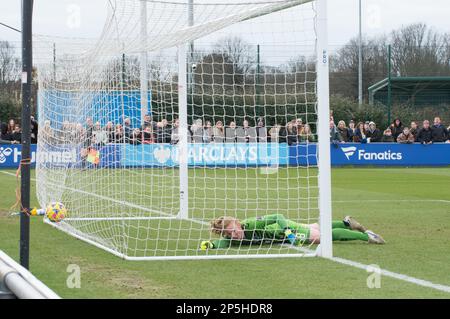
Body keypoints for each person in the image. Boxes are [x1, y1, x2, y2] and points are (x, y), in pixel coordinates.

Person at [200, 214, 385, 250]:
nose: (234, 235)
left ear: (238, 223)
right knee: (315, 228)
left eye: (234, 230)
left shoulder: (249, 225)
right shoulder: (232, 238)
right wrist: (211, 244)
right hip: (287, 231)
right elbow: (225, 243)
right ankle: (345, 223)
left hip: (284, 231)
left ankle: (366, 236)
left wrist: (288, 233)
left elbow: (278, 216)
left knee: (320, 238)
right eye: (229, 234)